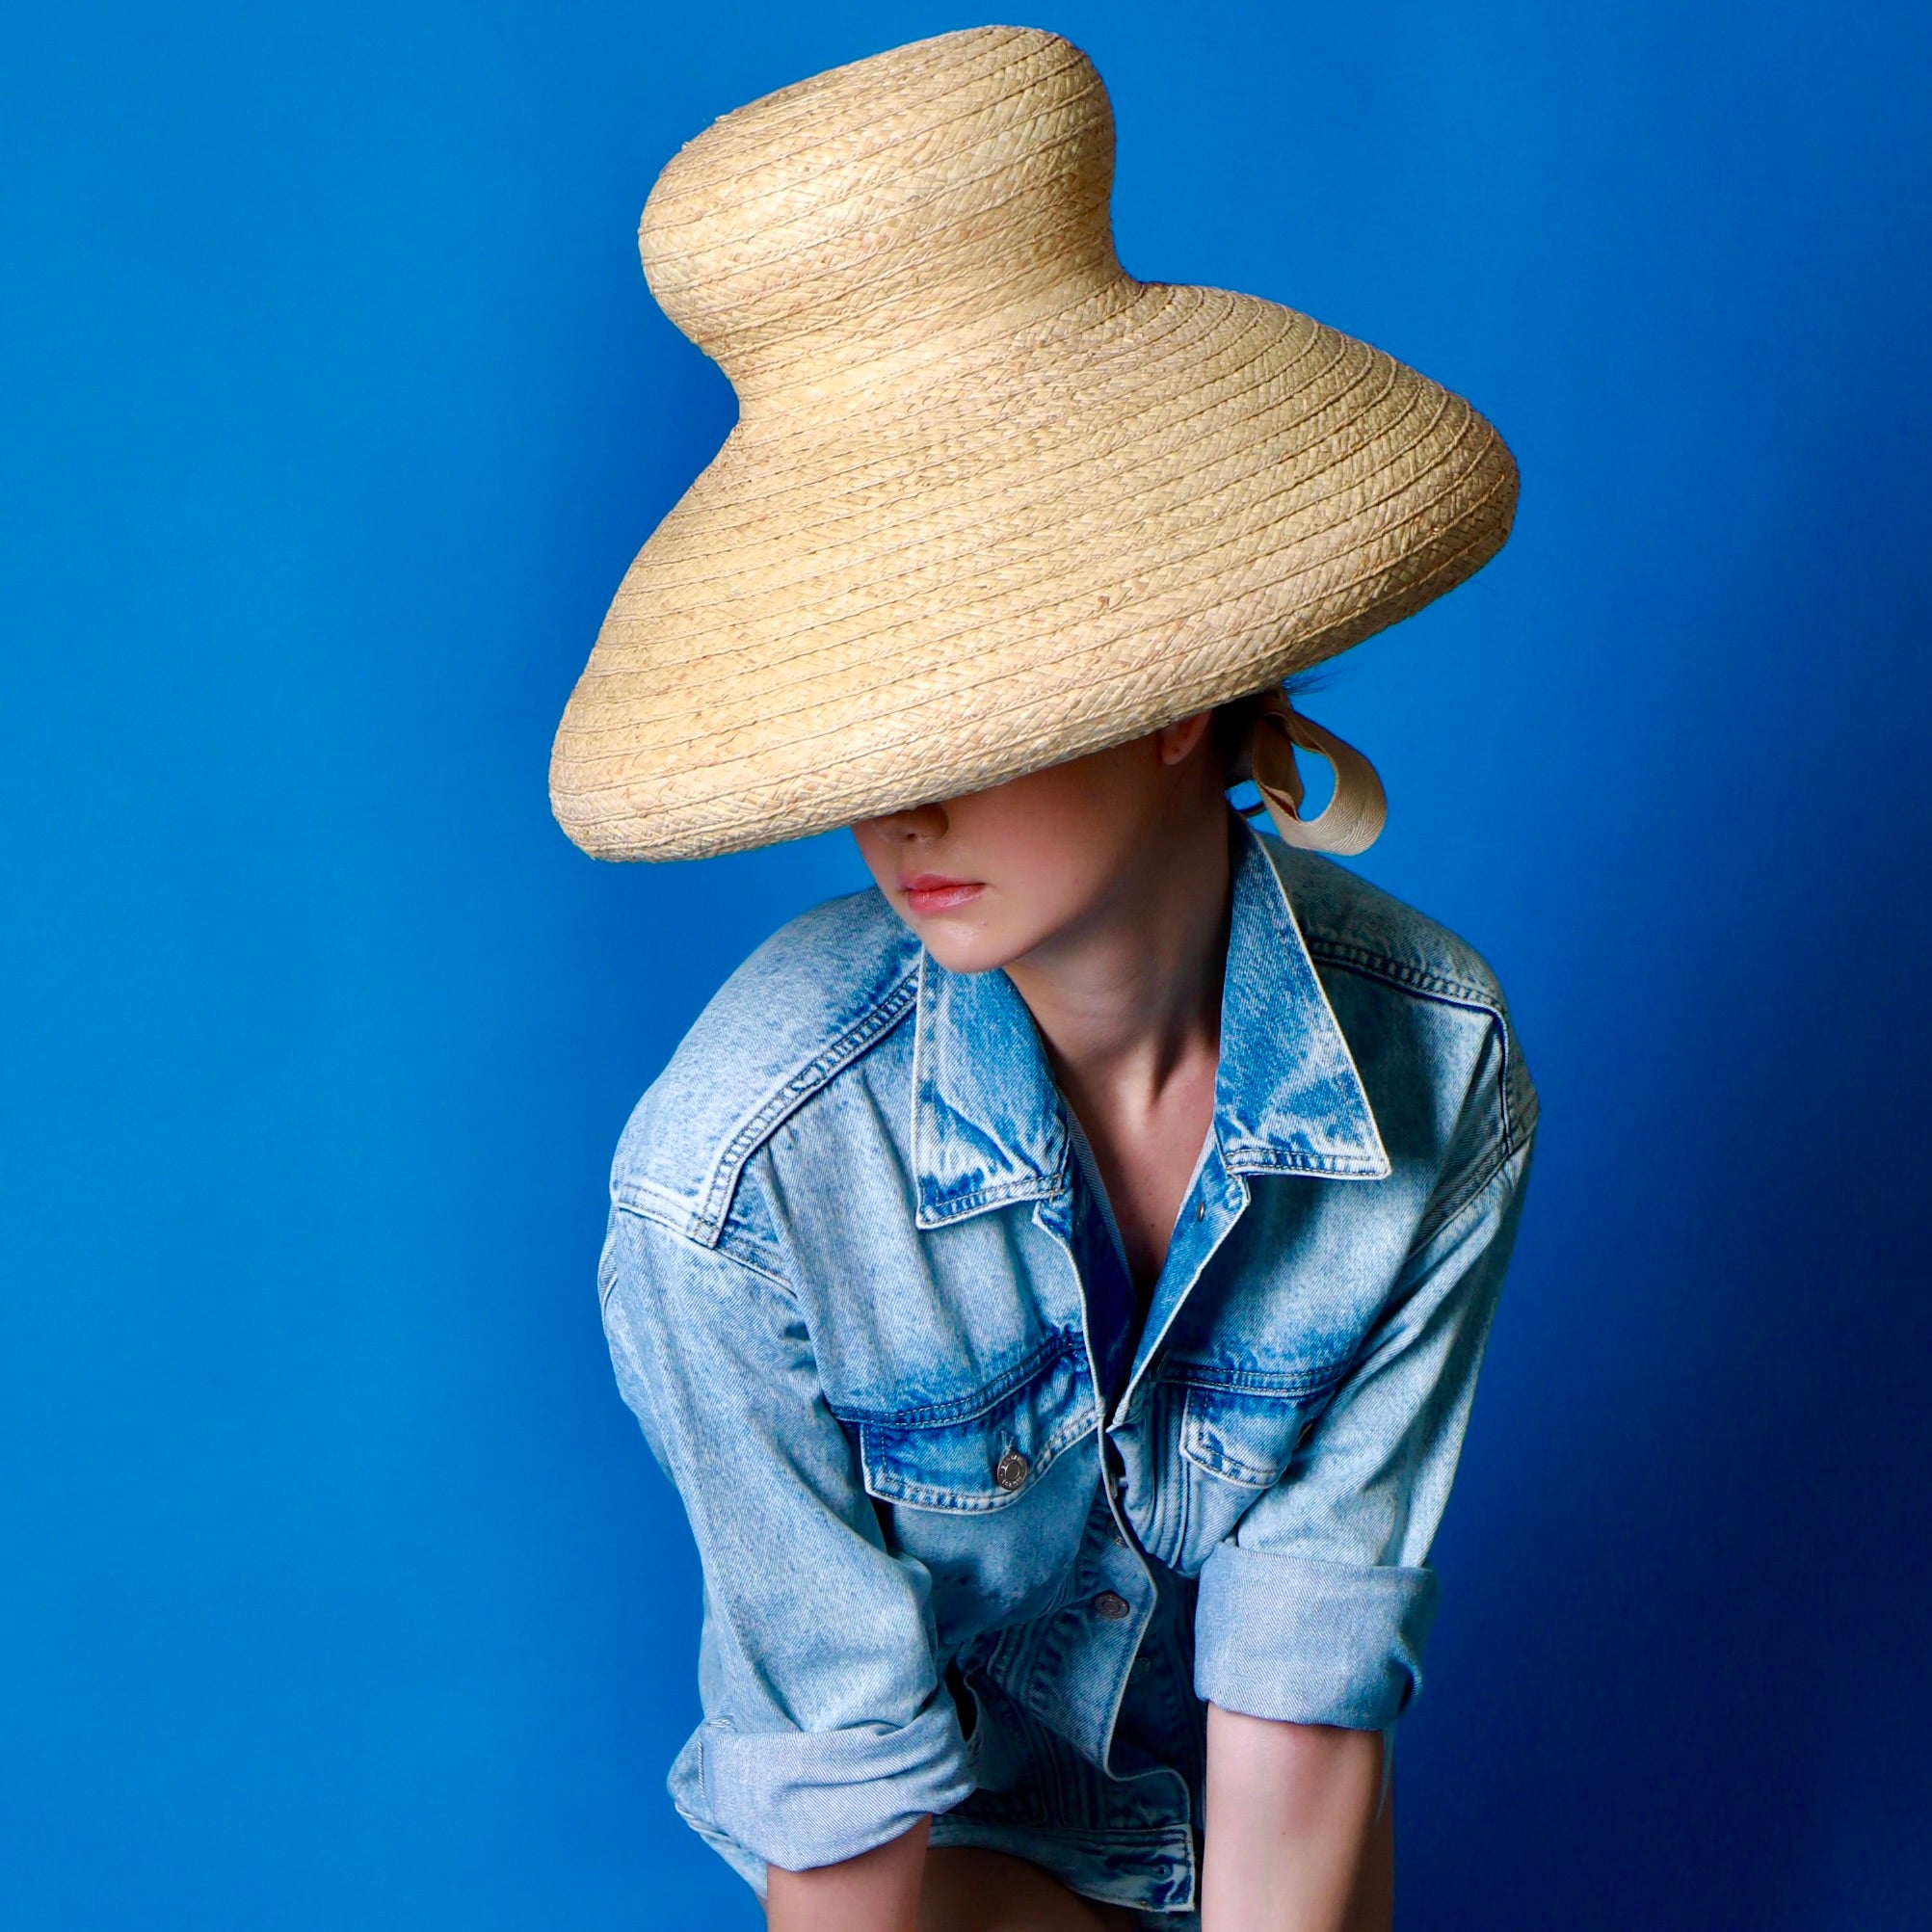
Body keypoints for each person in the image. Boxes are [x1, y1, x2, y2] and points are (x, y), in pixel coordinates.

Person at [550, 28, 1537, 1932]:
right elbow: (838, 1828)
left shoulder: (1437, 1066)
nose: (891, 801)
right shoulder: (732, 1184)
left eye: (973, 699)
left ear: (1174, 680)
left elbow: (1308, 1712)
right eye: (858, 725)